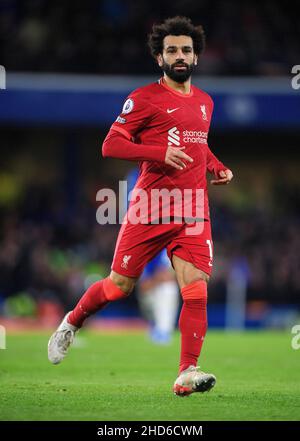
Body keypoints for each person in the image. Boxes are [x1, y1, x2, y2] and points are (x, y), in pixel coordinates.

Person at [48, 16, 233, 397]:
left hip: (193, 208)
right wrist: (158, 153)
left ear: (196, 56)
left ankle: (186, 372)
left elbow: (198, 145)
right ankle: (71, 322)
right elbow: (110, 145)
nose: (179, 56)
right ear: (159, 58)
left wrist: (216, 166)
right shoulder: (144, 98)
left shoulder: (205, 103)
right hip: (150, 207)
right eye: (171, 51)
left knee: (195, 289)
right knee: (119, 287)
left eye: (185, 50)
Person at [125, 166, 179, 345]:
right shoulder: (135, 232)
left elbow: (167, 274)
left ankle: (163, 330)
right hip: (144, 270)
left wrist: (156, 278)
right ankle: (156, 324)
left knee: (168, 286)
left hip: (159, 270)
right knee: (146, 292)